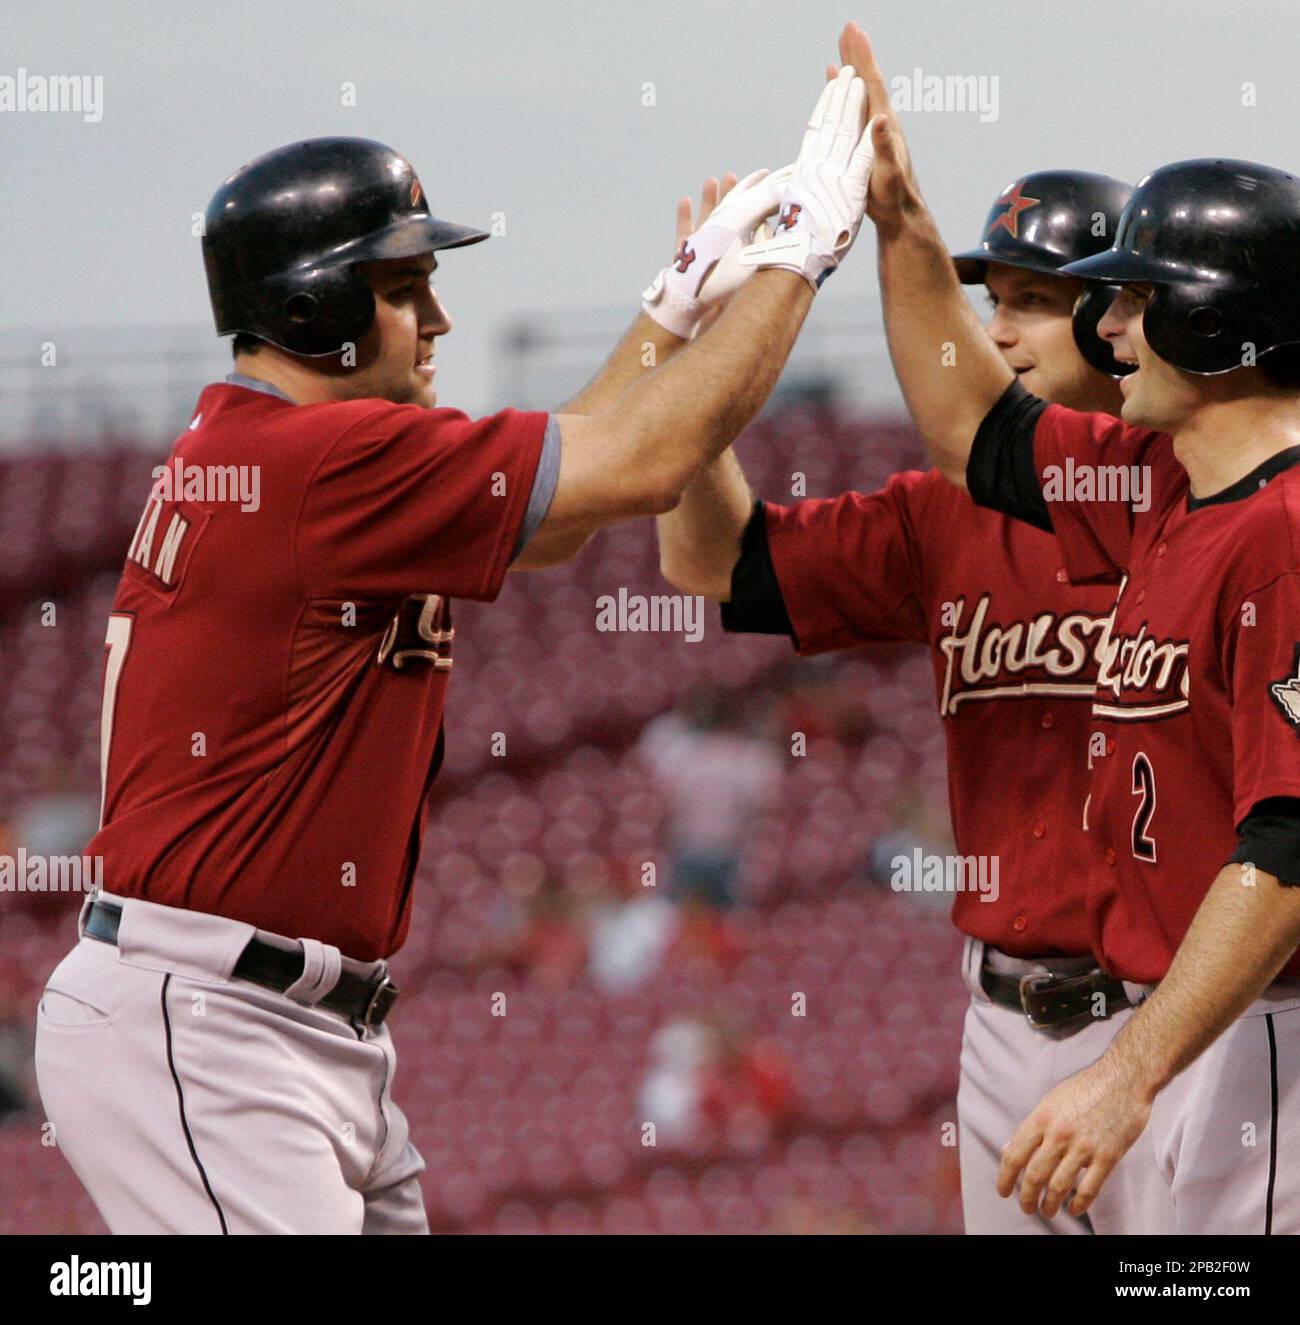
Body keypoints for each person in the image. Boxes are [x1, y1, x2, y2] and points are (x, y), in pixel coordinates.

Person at [33, 68, 877, 1234]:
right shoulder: (321, 461)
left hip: (288, 1015)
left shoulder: (290, 452)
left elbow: (570, 508)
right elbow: (639, 463)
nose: (435, 320)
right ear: (313, 307)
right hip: (213, 1013)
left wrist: (677, 305)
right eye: (400, 286)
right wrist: (804, 259)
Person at [657, 28, 1171, 1234]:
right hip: (1002, 1020)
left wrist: (897, 220)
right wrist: (693, 344)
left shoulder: (1185, 488)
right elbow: (707, 561)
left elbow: (960, 414)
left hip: (1171, 1024)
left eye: (1034, 302)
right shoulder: (945, 517)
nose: (995, 329)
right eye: (992, 299)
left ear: (1120, 322)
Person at [846, 16, 1300, 1232]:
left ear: (1210, 321)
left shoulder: (1289, 524)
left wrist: (1122, 1072)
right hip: (1195, 1035)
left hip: (1262, 1041)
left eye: (1135, 301)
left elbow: (1291, 847)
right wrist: (900, 221)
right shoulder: (1165, 485)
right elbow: (970, 428)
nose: (1108, 330)